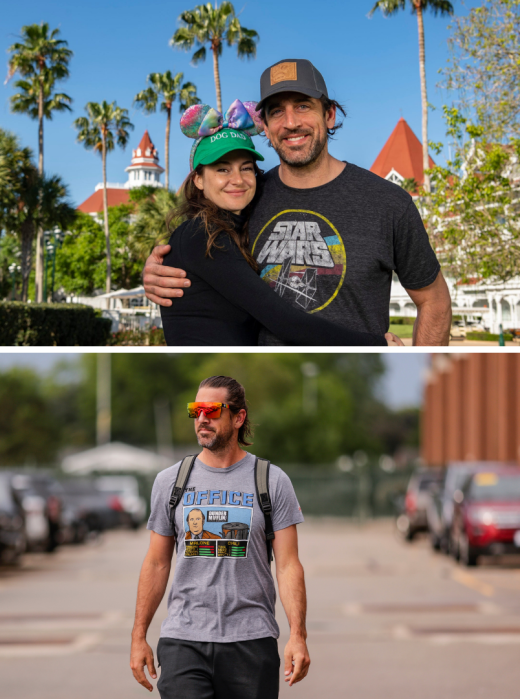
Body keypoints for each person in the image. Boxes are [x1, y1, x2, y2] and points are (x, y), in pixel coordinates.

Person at [143, 58, 452, 346]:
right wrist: (161, 265)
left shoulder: (388, 202)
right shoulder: (244, 198)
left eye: (303, 106)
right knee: (209, 401)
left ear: (329, 114)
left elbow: (434, 300)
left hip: (357, 384)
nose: (290, 122)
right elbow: (203, 255)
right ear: (264, 124)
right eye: (277, 111)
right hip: (264, 383)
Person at [159, 99, 393, 346]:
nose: (238, 180)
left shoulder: (236, 228)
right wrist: (378, 345)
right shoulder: (202, 234)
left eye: (246, 168)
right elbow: (286, 323)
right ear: (198, 179)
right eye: (223, 170)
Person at [130, 376, 309, 698]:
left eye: (211, 410)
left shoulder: (272, 480)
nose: (202, 419)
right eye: (195, 410)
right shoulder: (170, 481)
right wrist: (138, 635)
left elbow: (288, 566)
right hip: (184, 639)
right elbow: (157, 563)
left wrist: (298, 634)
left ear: (238, 418)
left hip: (251, 641)